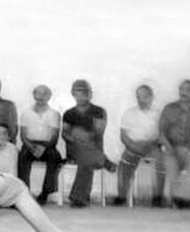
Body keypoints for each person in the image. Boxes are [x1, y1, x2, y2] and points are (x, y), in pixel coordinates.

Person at [62, 80, 116, 208]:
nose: (81, 97)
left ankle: (78, 198)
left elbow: (98, 133)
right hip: (74, 149)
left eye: (84, 93)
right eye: (78, 93)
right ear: (73, 94)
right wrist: (75, 137)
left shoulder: (98, 111)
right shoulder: (68, 113)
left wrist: (83, 136)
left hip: (92, 147)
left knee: (86, 161)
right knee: (77, 136)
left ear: (90, 94)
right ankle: (103, 160)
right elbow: (65, 134)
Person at [159, 80, 190, 208]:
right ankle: (178, 198)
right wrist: (169, 146)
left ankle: (184, 198)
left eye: (187, 89)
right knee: (169, 160)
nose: (184, 92)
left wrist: (189, 148)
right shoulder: (169, 108)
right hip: (171, 147)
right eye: (181, 89)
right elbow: (162, 132)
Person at [113, 85, 165, 207]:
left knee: (161, 162)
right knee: (124, 163)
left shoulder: (158, 114)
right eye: (138, 97)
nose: (141, 100)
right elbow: (123, 135)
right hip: (132, 145)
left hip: (152, 146)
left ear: (151, 97)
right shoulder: (129, 113)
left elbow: (163, 135)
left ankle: (157, 196)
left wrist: (150, 143)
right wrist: (132, 145)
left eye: (144, 96)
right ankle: (121, 196)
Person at [17, 85, 63, 205]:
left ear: (49, 96)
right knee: (22, 158)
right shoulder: (26, 113)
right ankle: (23, 193)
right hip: (29, 143)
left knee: (55, 158)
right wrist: (32, 147)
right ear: (33, 95)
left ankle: (45, 193)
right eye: (38, 93)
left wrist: (44, 147)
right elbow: (23, 136)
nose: (41, 97)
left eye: (44, 94)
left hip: (48, 145)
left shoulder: (54, 114)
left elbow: (54, 137)